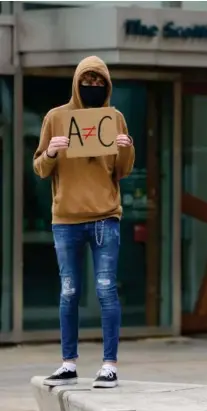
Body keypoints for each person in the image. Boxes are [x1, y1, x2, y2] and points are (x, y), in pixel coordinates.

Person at [33, 56, 135, 389]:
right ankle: (68, 363)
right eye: (86, 80)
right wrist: (50, 152)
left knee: (106, 289)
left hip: (105, 217)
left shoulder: (115, 118)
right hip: (66, 219)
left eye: (98, 81)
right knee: (69, 290)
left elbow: (122, 171)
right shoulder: (56, 117)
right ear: (76, 83)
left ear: (107, 85)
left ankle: (109, 365)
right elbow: (40, 168)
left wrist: (125, 148)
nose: (92, 86)